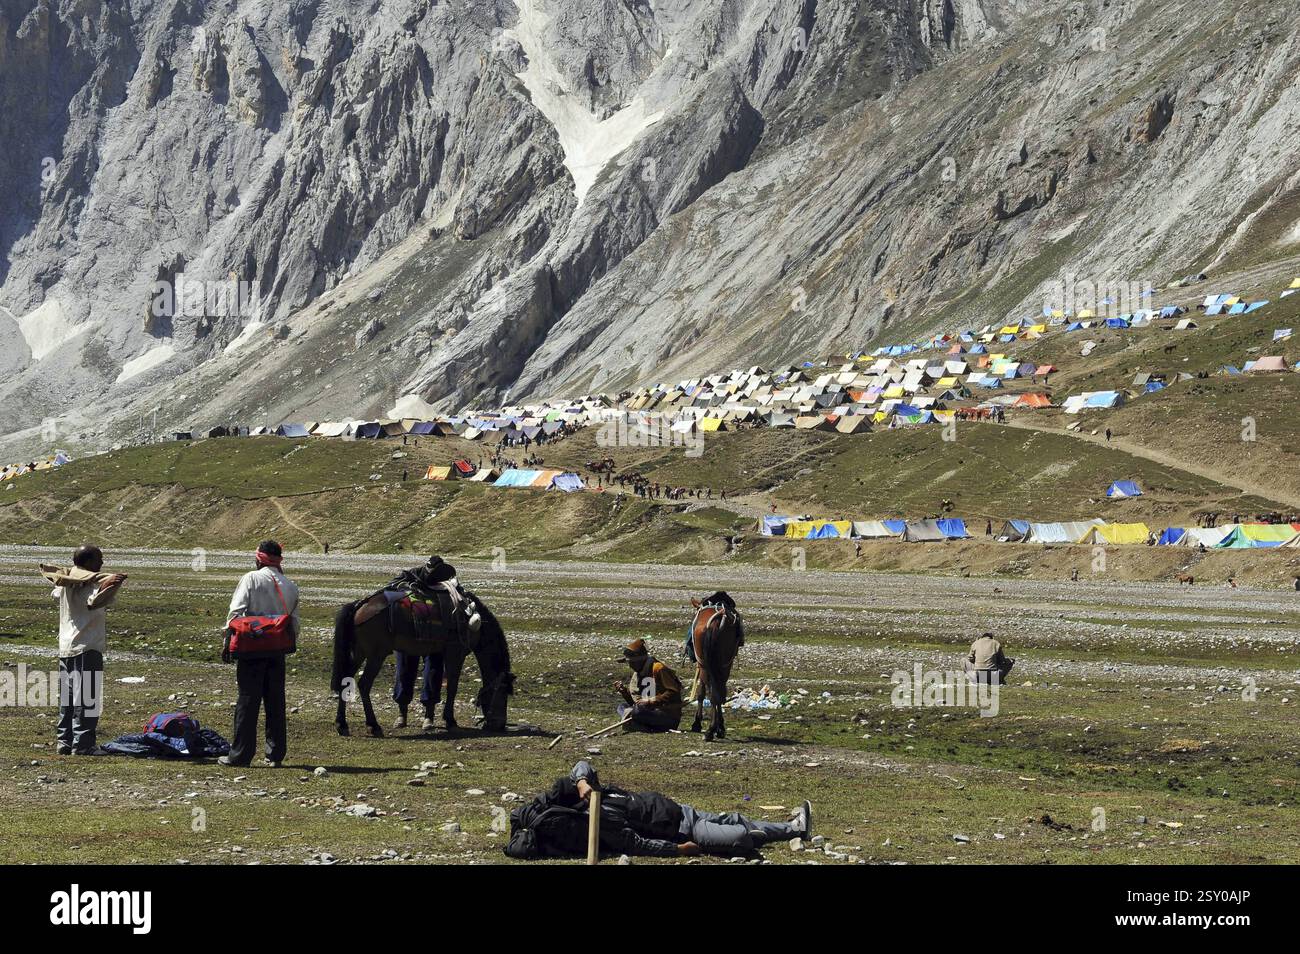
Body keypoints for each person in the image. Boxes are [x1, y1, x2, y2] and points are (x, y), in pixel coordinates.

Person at [504, 760, 812, 859]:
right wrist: (679, 849)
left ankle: (792, 827)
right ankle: (794, 830)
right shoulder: (599, 821)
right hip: (682, 829)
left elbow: (581, 764)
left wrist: (583, 780)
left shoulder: (592, 793)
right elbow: (636, 844)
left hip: (678, 810)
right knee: (739, 838)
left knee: (734, 818)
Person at [219, 540, 299, 768]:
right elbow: (295, 624)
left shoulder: (250, 579)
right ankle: (275, 755)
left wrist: (227, 643)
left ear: (258, 559)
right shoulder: (290, 585)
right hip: (277, 651)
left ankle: (240, 755)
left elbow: (235, 614)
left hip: (251, 649)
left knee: (247, 700)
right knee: (276, 700)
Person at [41, 546, 127, 755]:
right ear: (88, 562)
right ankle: (84, 744)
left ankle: (65, 741)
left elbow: (55, 593)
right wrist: (112, 584)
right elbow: (94, 602)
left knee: (68, 698)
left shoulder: (66, 584)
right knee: (87, 697)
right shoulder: (88, 586)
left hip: (66, 647)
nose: (102, 563)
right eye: (98, 559)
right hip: (87, 646)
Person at [614, 638, 682, 732]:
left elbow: (673, 692)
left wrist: (650, 701)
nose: (630, 666)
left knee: (637, 711)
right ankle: (639, 724)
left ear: (639, 660)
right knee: (621, 707)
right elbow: (638, 702)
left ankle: (639, 725)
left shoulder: (658, 668)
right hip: (649, 711)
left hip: (666, 715)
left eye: (632, 663)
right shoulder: (639, 673)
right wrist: (625, 693)